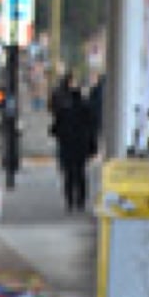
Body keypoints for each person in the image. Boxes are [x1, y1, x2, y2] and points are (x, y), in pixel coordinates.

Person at [49, 75, 97, 212]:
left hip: (67, 146)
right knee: (80, 173)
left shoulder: (64, 111)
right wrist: (92, 145)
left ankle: (69, 200)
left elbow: (55, 129)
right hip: (81, 146)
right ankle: (80, 200)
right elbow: (91, 128)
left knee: (69, 174)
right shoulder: (85, 109)